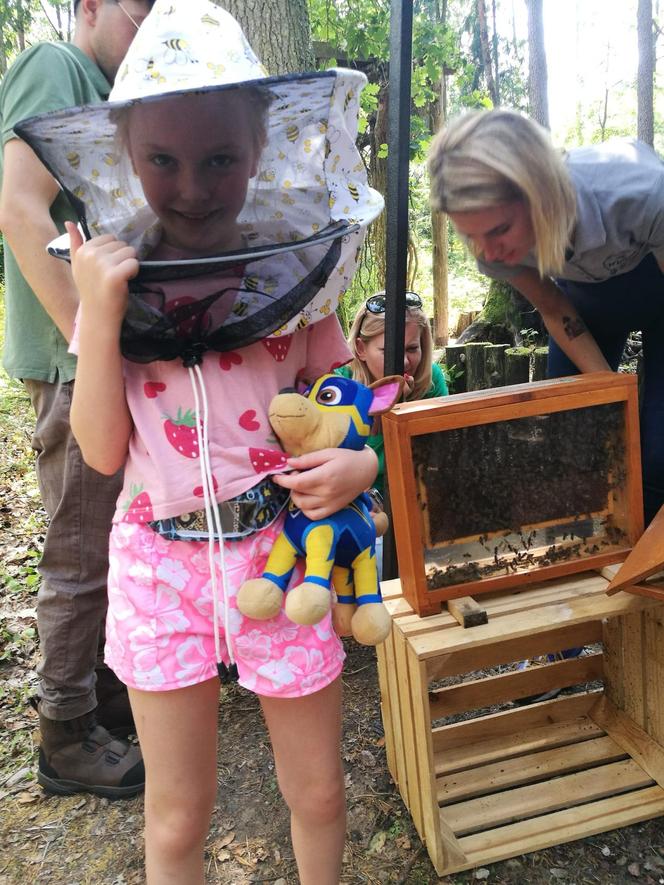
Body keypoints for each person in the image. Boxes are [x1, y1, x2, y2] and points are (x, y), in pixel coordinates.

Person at [21, 1, 384, 880]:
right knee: (177, 815)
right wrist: (98, 315)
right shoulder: (113, 277)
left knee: (321, 793)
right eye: (163, 160)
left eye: (220, 157)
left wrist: (360, 462)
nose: (192, 185)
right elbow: (103, 454)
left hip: (284, 552)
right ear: (126, 156)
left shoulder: (299, 270)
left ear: (260, 150)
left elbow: (351, 404)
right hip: (157, 566)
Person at [0, 0, 156, 798]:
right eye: (139, 12)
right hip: (71, 360)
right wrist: (86, 337)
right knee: (79, 541)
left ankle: (100, 694)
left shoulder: (108, 85)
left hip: (87, 353)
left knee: (105, 526)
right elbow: (19, 207)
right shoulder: (56, 65)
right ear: (90, 7)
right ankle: (63, 731)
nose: (150, 26)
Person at [428, 108, 664, 526]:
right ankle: (585, 553)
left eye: (499, 230)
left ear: (540, 194)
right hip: (583, 305)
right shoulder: (491, 248)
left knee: (660, 450)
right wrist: (608, 393)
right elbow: (556, 310)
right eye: (471, 236)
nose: (486, 253)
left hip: (655, 282)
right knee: (573, 435)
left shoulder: (642, 192)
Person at [335, 290, 449, 498]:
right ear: (361, 348)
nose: (405, 362)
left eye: (412, 348)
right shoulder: (337, 388)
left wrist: (404, 410)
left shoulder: (431, 381)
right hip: (355, 504)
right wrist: (382, 408)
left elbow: (435, 460)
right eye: (390, 351)